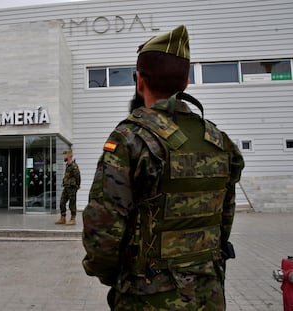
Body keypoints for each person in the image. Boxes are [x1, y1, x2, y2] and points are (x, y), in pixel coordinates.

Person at [82, 25, 245, 310]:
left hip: (147, 296)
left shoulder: (130, 139)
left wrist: (113, 276)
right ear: (186, 84)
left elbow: (103, 230)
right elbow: (224, 220)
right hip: (209, 293)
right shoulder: (220, 141)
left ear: (139, 81)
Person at [55, 149, 81, 225]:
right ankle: (63, 218)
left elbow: (78, 176)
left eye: (65, 155)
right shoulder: (68, 165)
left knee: (72, 203)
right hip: (66, 186)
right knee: (62, 202)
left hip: (72, 187)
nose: (63, 156)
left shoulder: (74, 166)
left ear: (69, 156)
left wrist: (78, 185)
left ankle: (73, 219)